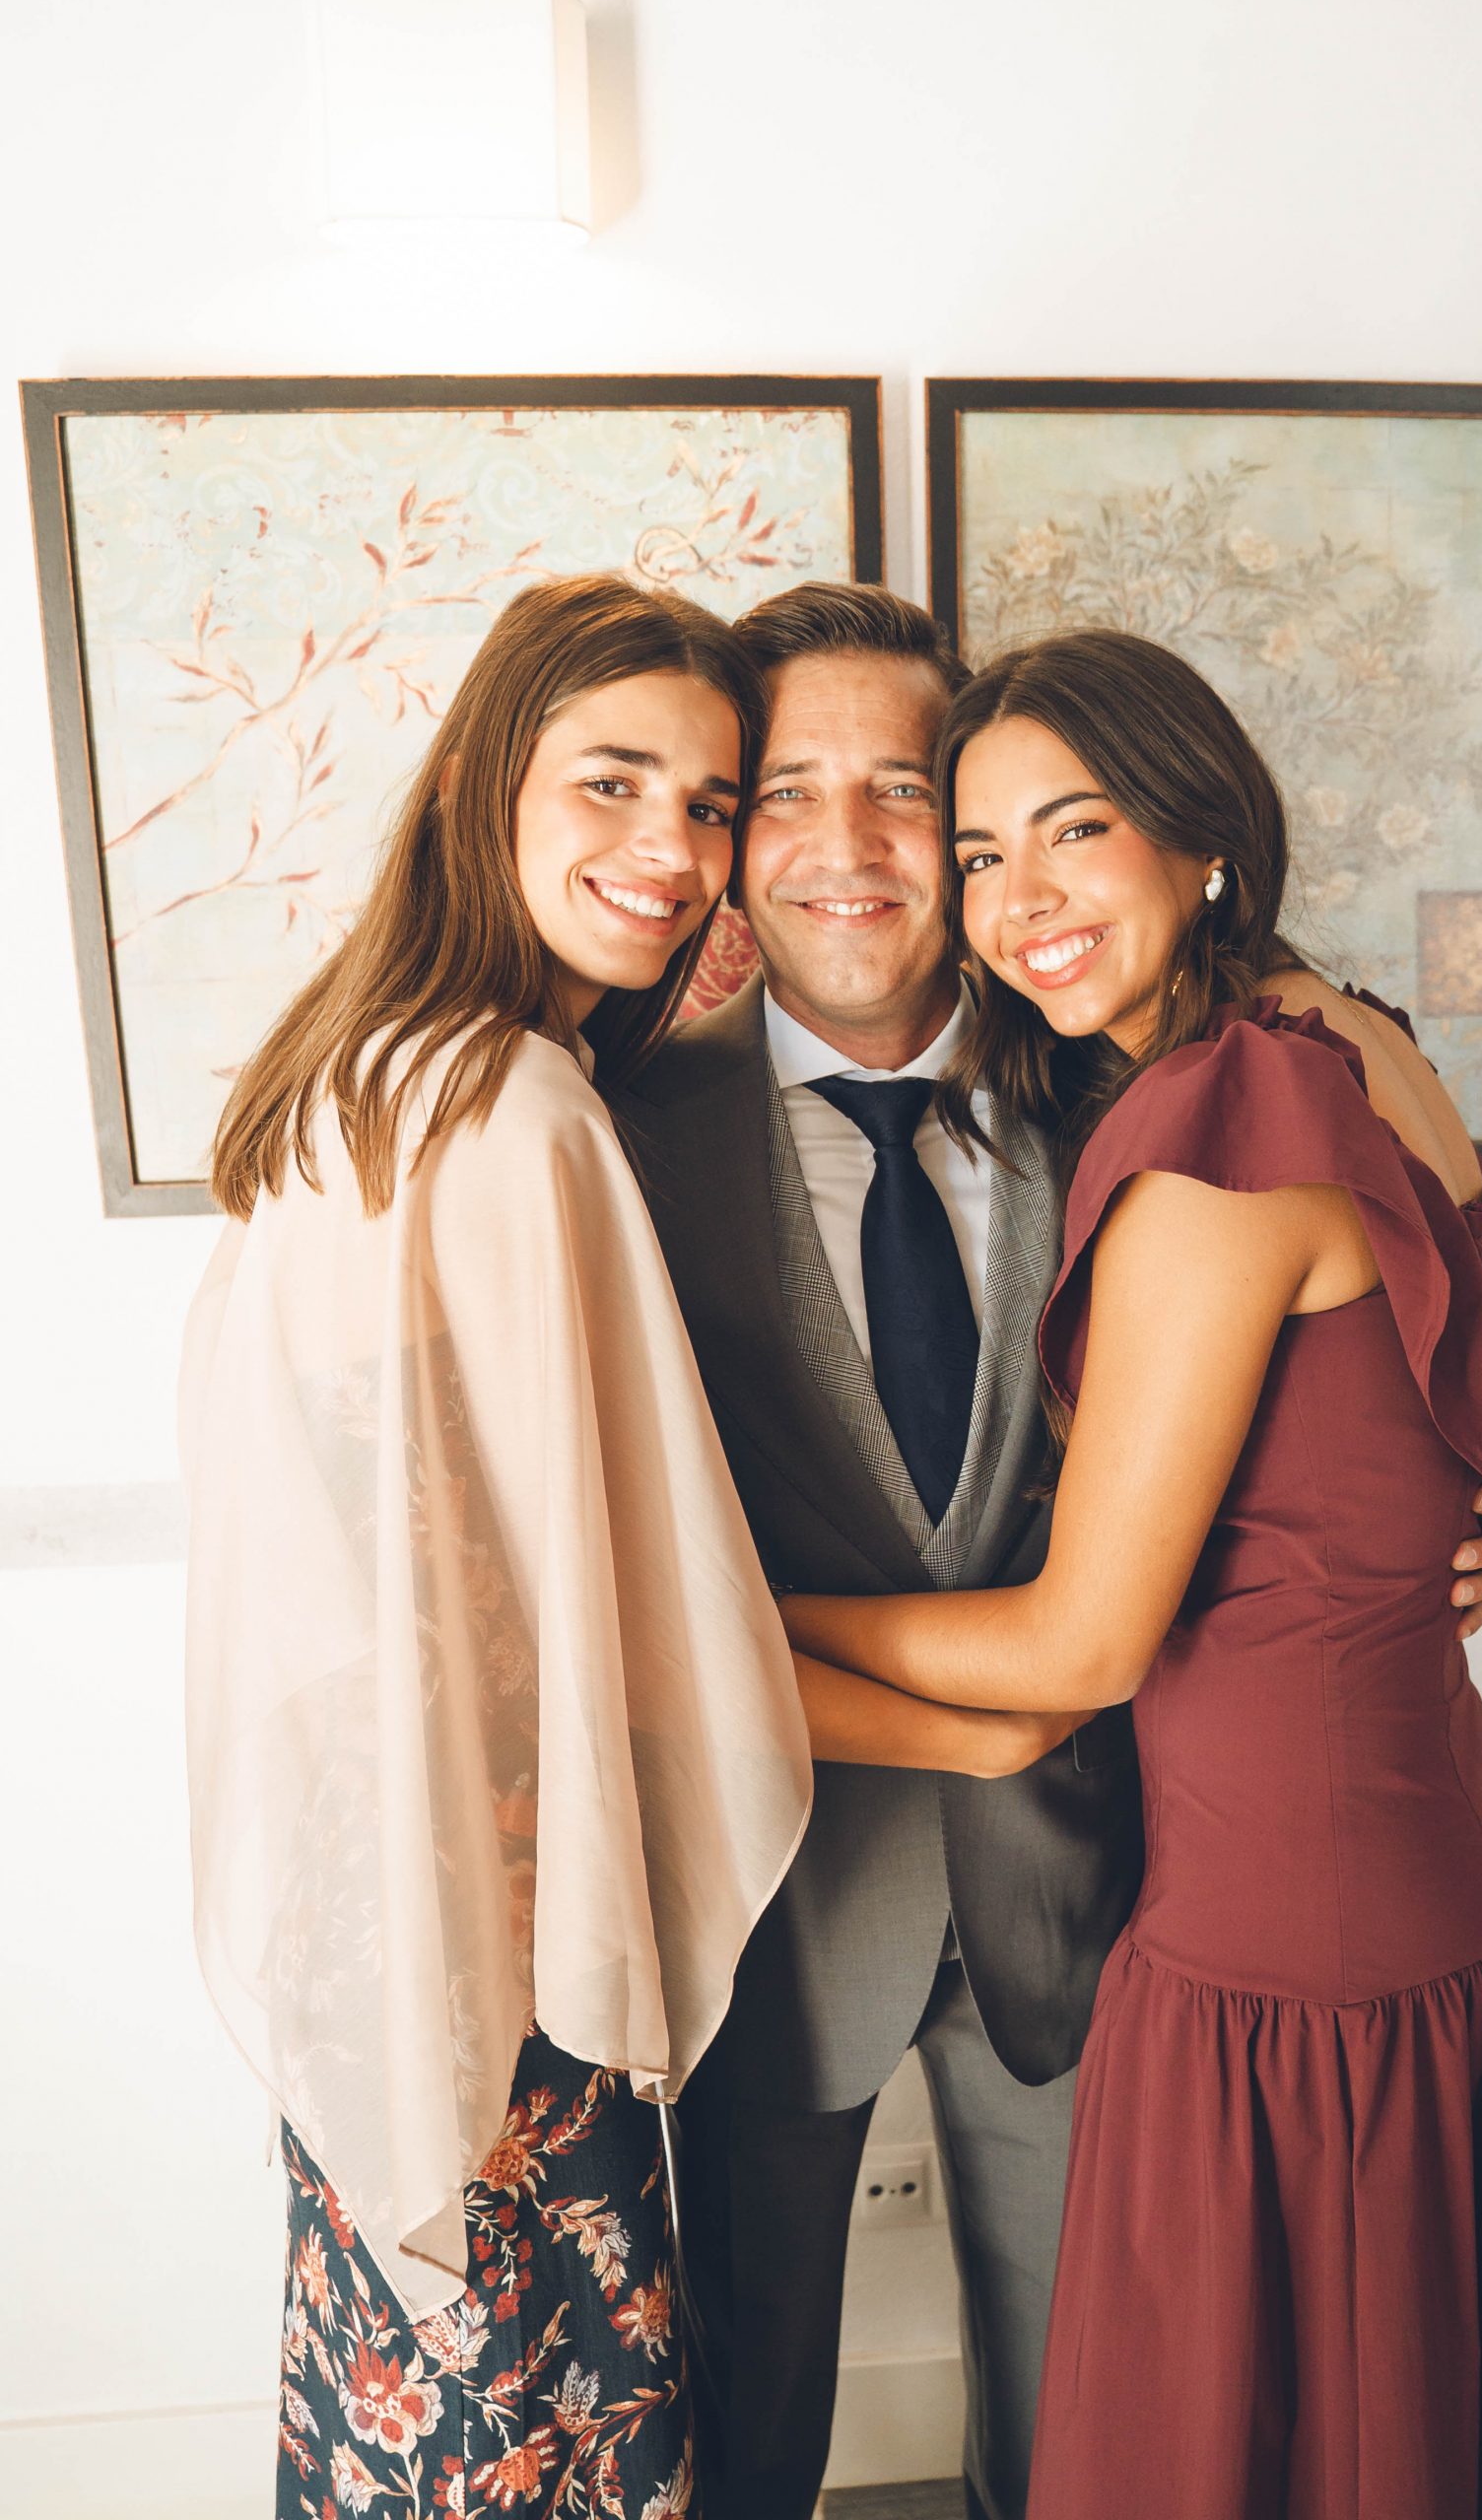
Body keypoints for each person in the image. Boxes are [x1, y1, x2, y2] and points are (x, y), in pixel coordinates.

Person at [620, 586, 1482, 2520]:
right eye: (788, 791)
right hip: (776, 1897)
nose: (857, 844)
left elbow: (1374, 1323)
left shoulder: (1136, 1071)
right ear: (731, 835)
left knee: (1105, 2443)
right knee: (738, 2442)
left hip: (1108, 1889)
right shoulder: (616, 1131)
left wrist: (1457, 1500)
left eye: (908, 790)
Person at [179, 575, 1053, 2520]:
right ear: (491, 780)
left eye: (705, 799)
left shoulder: (389, 1069)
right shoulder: (521, 1110)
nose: (676, 845)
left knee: (466, 2437)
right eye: (614, 782)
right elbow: (583, 1629)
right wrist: (1000, 1711)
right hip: (502, 1919)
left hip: (420, 1902)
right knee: (561, 2444)